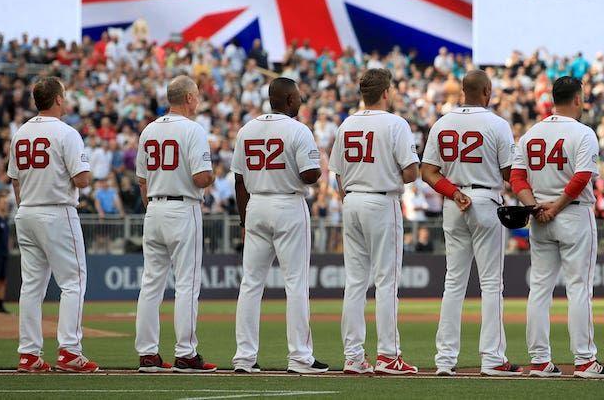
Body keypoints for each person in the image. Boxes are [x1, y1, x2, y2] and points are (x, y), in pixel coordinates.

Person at [510, 76, 604, 378]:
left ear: (553, 99)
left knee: (539, 289)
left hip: (540, 216)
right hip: (571, 214)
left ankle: (540, 361)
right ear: (578, 99)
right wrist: (555, 207)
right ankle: (584, 360)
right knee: (579, 288)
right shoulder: (583, 133)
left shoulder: (531, 134)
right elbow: (581, 178)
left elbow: (517, 178)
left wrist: (536, 206)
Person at [421, 70, 520, 377]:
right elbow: (509, 174)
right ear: (487, 91)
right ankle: (492, 358)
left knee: (453, 282)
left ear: (463, 91)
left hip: (454, 202)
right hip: (486, 202)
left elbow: (428, 171)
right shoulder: (496, 124)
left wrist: (454, 193)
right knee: (491, 284)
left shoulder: (443, 122)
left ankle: (445, 359)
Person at [232, 77, 328, 375]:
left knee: (250, 284)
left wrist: (244, 220)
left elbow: (238, 180)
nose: (300, 100)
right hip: (287, 204)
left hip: (256, 204)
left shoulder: (247, 129)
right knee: (296, 282)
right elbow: (311, 175)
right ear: (288, 100)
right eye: (297, 96)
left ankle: (244, 358)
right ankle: (299, 357)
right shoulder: (298, 130)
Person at [328, 68, 420, 375]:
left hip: (351, 200)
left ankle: (353, 357)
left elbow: (338, 174)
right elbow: (411, 172)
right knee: (386, 281)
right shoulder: (395, 123)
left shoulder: (346, 124)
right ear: (385, 92)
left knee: (355, 283)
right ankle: (388, 355)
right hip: (381, 200)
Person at [9, 76, 99, 373]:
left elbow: (15, 181)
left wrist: (26, 206)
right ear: (58, 98)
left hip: (27, 212)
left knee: (32, 287)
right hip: (57, 211)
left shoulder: (20, 132)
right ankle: (70, 351)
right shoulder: (66, 132)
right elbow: (82, 180)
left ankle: (29, 354)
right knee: (73, 281)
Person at [135, 75, 216, 373]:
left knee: (151, 284)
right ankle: (185, 353)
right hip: (183, 208)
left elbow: (141, 180)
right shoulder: (193, 130)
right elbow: (201, 177)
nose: (198, 100)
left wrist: (152, 206)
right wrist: (213, 176)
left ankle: (147, 354)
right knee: (187, 284)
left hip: (154, 208)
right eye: (196, 96)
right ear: (190, 98)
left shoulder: (148, 130)